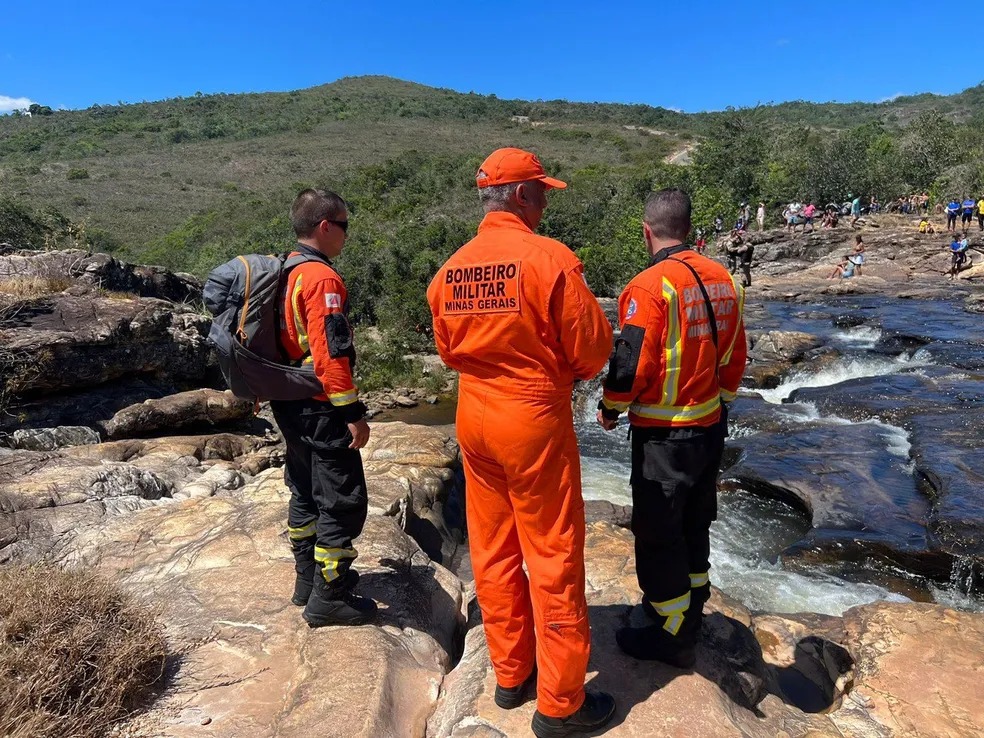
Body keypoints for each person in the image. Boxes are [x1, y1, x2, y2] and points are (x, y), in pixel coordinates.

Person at [427, 148, 616, 738]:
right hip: (530, 414)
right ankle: (560, 705)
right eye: (541, 191)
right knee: (553, 551)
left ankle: (512, 674)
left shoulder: (452, 268)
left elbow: (448, 350)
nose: (545, 200)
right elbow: (592, 352)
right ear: (520, 196)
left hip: (474, 413)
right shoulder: (548, 259)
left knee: (493, 544)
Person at [596, 188, 746, 669]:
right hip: (709, 424)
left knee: (659, 529)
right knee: (696, 518)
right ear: (688, 228)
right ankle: (693, 603)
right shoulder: (724, 278)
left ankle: (672, 630)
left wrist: (610, 407)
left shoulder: (647, 288)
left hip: (664, 434)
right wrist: (720, 403)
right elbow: (735, 354)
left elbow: (632, 363)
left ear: (647, 230)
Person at [273, 189, 376, 627]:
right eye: (345, 225)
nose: (347, 235)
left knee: (303, 489)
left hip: (286, 400)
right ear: (325, 227)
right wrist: (352, 413)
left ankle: (306, 581)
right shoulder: (321, 279)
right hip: (320, 406)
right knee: (341, 501)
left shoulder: (282, 269)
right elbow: (331, 354)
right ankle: (328, 596)